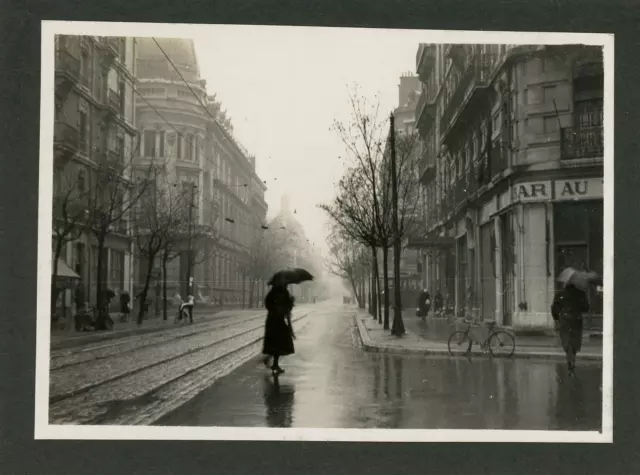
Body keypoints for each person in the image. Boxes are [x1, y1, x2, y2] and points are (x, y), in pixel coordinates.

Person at [551, 282, 590, 375]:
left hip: (565, 320)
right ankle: (573, 361)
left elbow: (554, 308)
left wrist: (557, 318)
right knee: (574, 341)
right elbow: (586, 308)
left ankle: (570, 364)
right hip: (576, 320)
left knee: (567, 341)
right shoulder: (580, 293)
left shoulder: (560, 294)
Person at [261, 284, 296, 375]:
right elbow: (286, 312)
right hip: (276, 321)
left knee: (277, 343)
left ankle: (273, 362)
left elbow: (268, 304)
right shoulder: (282, 293)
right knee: (280, 342)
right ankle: (272, 362)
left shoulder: (273, 293)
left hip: (272, 320)